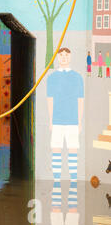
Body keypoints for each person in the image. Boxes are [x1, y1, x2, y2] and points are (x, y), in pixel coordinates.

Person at [47, 47, 84, 185]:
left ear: (71, 57)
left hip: (73, 120)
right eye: (61, 55)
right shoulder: (52, 78)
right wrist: (51, 120)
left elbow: (80, 100)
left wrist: (79, 121)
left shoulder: (77, 77)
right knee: (56, 149)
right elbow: (50, 99)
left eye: (66, 55)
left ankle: (73, 180)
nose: (63, 57)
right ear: (57, 57)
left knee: (72, 150)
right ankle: (57, 180)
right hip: (57, 120)